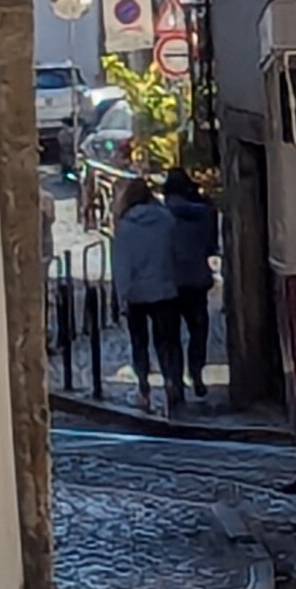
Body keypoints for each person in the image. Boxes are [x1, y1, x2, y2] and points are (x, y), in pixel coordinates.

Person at [112, 177, 184, 417]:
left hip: (137, 295)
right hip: (165, 290)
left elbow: (122, 265)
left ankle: (143, 388)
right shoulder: (166, 220)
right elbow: (176, 253)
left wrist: (122, 296)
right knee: (168, 342)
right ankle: (172, 381)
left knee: (139, 343)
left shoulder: (126, 227)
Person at [163, 166, 219, 405]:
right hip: (196, 280)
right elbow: (210, 247)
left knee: (170, 335)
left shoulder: (162, 216)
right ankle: (196, 372)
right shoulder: (204, 214)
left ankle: (174, 380)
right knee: (199, 330)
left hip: (169, 282)